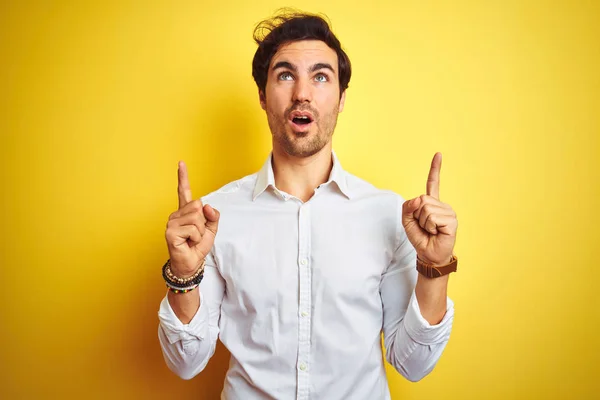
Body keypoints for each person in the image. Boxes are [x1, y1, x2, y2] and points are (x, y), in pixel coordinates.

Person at [158, 10, 458, 400]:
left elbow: (413, 365)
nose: (302, 93)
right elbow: (186, 363)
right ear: (263, 97)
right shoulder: (214, 218)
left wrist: (434, 269)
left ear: (342, 98)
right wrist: (183, 273)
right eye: (285, 75)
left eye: (320, 76)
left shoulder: (391, 216)